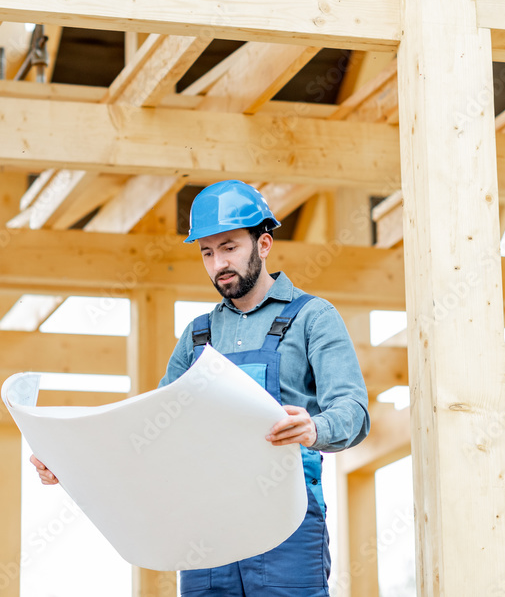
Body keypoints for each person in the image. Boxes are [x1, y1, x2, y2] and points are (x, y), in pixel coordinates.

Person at [31, 179, 370, 596]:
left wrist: (314, 428)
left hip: (286, 523)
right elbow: (148, 433)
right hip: (204, 530)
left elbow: (353, 410)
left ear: (263, 245)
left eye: (230, 247)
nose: (218, 264)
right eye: (207, 252)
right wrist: (72, 464)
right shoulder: (198, 336)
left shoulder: (312, 318)